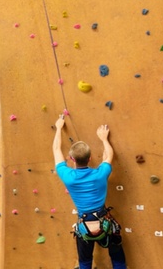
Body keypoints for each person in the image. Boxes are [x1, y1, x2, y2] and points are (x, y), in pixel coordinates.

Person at [52, 115, 127, 269]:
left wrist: (59, 127)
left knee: (85, 260)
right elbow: (108, 156)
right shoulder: (101, 173)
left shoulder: (68, 177)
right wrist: (104, 139)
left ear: (72, 159)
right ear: (90, 157)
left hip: (84, 224)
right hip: (104, 221)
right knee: (117, 254)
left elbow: (56, 149)